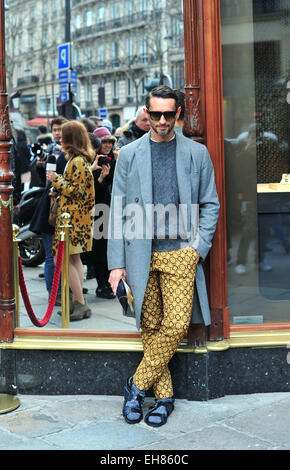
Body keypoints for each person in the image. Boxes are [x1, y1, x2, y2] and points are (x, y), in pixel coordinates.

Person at [108, 86, 219, 427]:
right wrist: (116, 264)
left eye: (168, 114)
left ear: (178, 115)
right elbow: (116, 210)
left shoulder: (196, 154)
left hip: (180, 254)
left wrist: (197, 249)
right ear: (146, 113)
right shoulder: (128, 154)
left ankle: (136, 386)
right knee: (151, 326)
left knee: (176, 325)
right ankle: (164, 399)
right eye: (154, 114)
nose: (160, 121)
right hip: (140, 253)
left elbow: (210, 204)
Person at [46, 120, 95, 321]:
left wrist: (56, 180)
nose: (60, 138)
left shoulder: (77, 162)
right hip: (75, 218)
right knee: (74, 259)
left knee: (64, 259)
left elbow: (78, 191)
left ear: (70, 139)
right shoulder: (79, 160)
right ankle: (77, 300)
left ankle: (80, 302)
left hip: (72, 219)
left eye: (63, 135)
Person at [29, 119, 68, 305]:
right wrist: (40, 166)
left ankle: (64, 287)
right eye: (55, 130)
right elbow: (47, 183)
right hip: (50, 209)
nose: (58, 133)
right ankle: (55, 292)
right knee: (51, 255)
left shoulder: (63, 152)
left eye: (61, 129)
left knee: (61, 254)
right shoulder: (52, 152)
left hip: (59, 208)